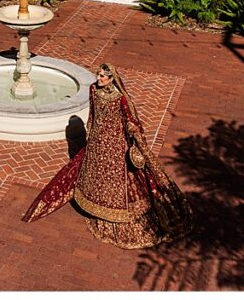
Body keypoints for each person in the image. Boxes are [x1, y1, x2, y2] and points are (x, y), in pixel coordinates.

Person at [22, 63, 192, 248]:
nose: (99, 78)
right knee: (97, 175)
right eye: (98, 74)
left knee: (115, 177)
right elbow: (93, 114)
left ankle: (113, 212)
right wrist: (90, 131)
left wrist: (134, 134)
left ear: (112, 79)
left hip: (115, 143)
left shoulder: (120, 98)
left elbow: (130, 119)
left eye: (104, 76)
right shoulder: (93, 89)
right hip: (96, 142)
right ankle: (95, 205)